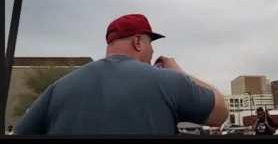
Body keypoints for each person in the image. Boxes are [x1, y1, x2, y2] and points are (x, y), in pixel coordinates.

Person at [14, 14, 228, 135]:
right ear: (137, 42)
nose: (152, 52)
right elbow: (221, 112)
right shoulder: (168, 80)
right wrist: (177, 70)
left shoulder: (58, 88)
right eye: (149, 44)